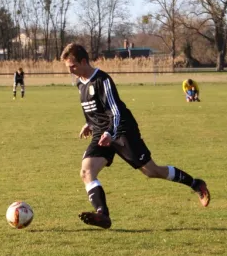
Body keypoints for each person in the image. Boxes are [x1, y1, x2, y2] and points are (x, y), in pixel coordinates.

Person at [61, 43, 210, 229]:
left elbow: (115, 111)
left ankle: (196, 183)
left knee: (152, 171)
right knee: (86, 172)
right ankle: (102, 215)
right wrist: (89, 124)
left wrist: (110, 132)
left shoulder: (102, 80)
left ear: (83, 61)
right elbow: (95, 108)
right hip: (101, 133)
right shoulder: (80, 83)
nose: (70, 71)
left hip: (122, 130)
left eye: (72, 66)